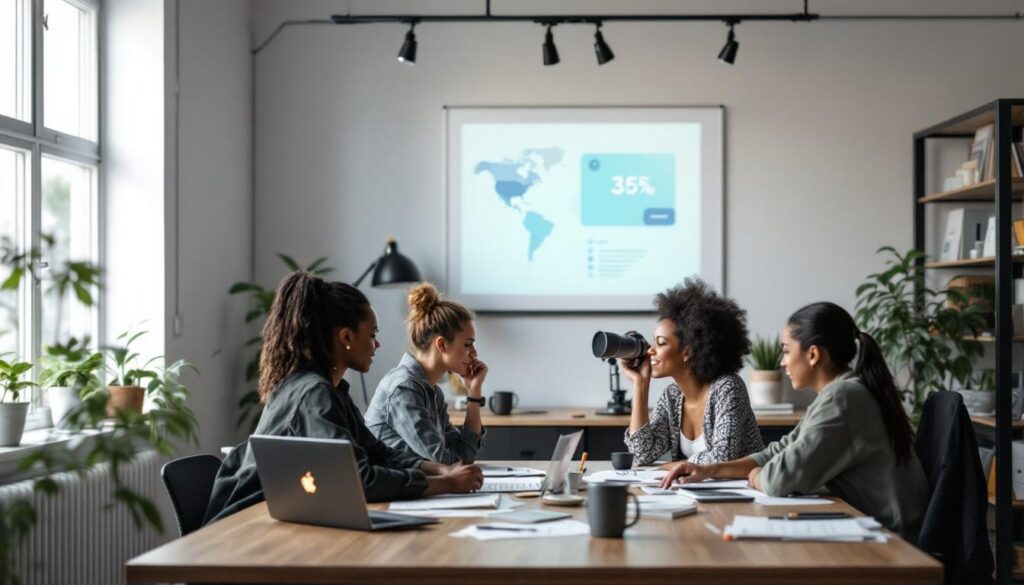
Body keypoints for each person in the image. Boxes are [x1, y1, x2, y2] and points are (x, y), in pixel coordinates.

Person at [203, 272, 482, 525]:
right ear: (346, 336)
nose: (377, 344)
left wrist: (441, 470)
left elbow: (379, 454)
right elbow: (357, 480)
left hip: (274, 520)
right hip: (241, 529)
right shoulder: (314, 393)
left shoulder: (332, 391)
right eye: (372, 335)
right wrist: (444, 483)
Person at [660, 301, 929, 541]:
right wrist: (709, 471)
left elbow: (779, 479)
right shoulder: (839, 392)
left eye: (787, 351)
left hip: (890, 541)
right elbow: (780, 450)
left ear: (813, 354)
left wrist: (757, 476)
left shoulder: (843, 397)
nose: (782, 362)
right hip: (869, 526)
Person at [621, 278, 764, 466]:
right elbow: (641, 454)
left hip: (743, 491)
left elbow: (724, 456)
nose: (650, 350)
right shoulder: (672, 397)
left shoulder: (727, 388)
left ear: (687, 351)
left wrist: (674, 466)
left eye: (661, 343)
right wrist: (640, 384)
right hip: (695, 493)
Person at [366, 283, 486, 464]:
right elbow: (445, 463)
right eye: (468, 344)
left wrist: (474, 393)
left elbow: (463, 455)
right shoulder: (404, 388)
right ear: (442, 345)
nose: (474, 354)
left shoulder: (432, 392)